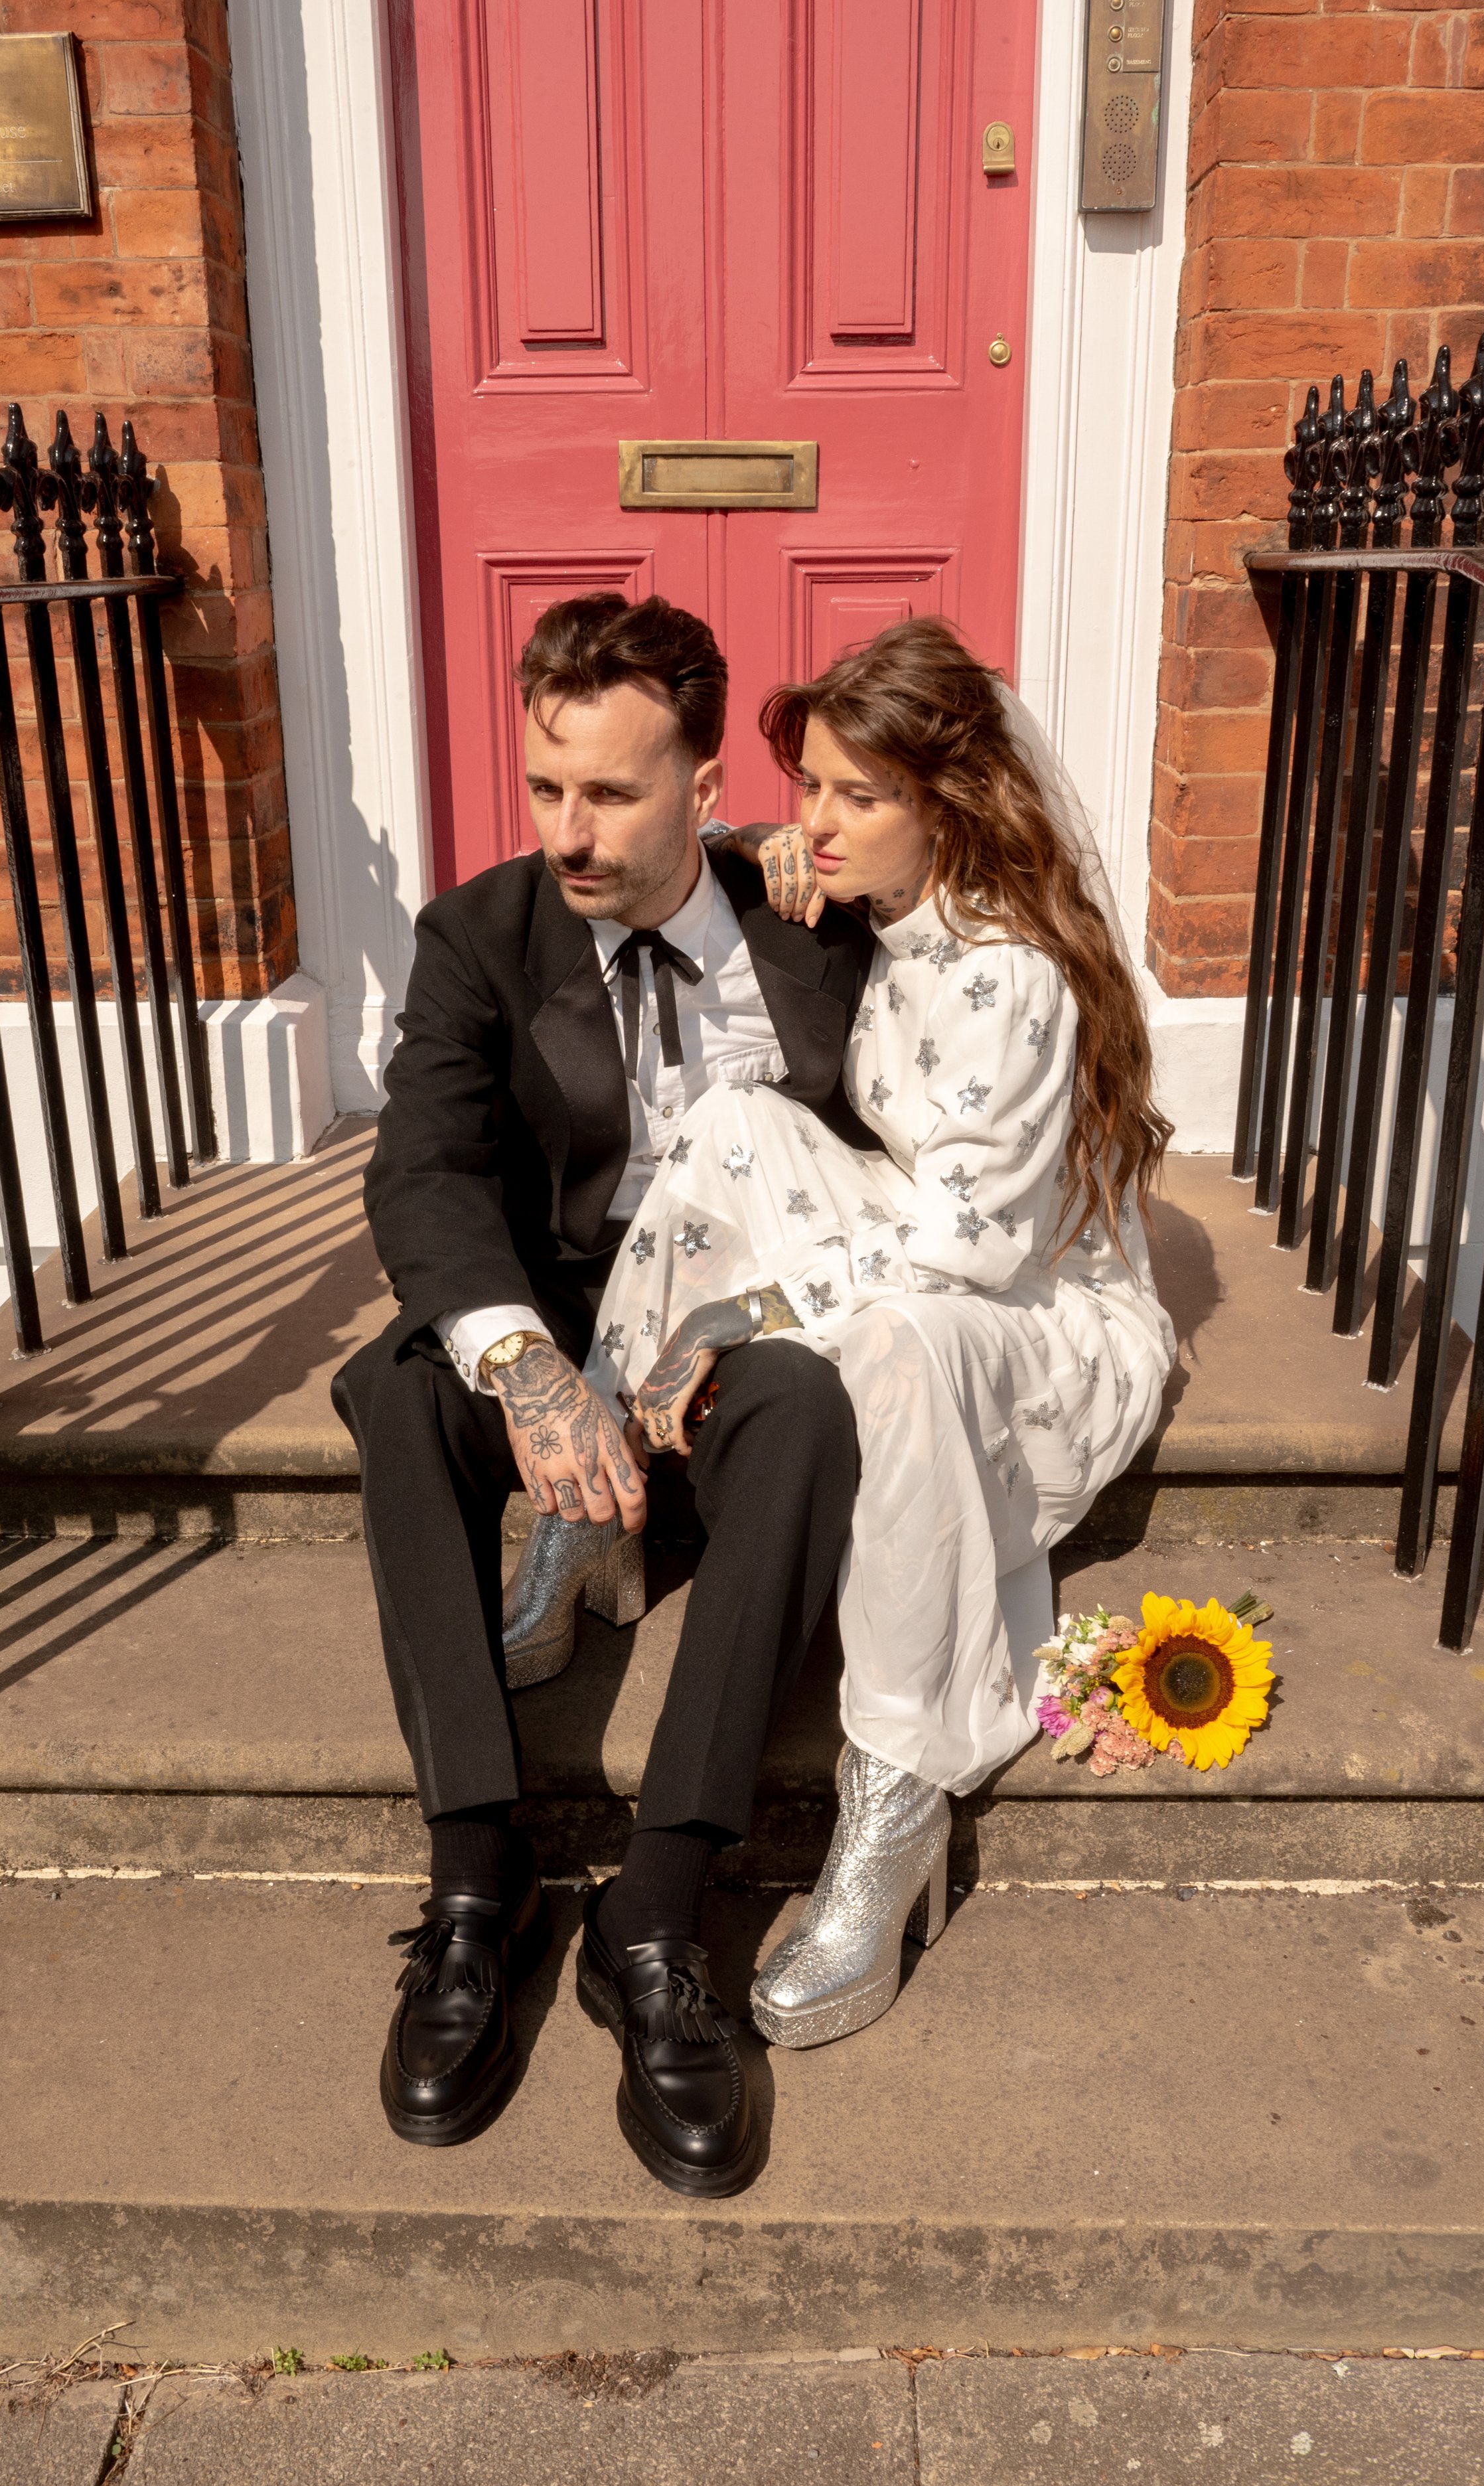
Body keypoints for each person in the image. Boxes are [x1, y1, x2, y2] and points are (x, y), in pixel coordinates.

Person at [333, 591, 877, 2199]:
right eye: (546, 787)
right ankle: (475, 1882)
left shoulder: (813, 917)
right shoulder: (478, 936)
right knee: (394, 1390)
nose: (567, 831)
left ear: (708, 788)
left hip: (741, 1322)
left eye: (613, 794)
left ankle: (656, 1908)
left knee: (806, 1412)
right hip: (558, 1314)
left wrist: (834, 858)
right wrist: (521, 1363)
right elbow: (422, 1172)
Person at [583, 615, 1176, 2050]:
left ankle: (893, 1806)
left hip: (1033, 1330)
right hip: (911, 1261)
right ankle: (590, 1478)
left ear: (946, 803)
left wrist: (744, 1308)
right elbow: (694, 871)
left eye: (859, 795)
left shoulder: (1011, 974)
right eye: (813, 790)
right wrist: (758, 859)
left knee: (902, 1339)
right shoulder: (890, 905)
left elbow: (968, 1254)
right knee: (728, 1119)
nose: (820, 823)